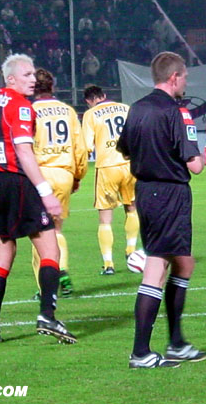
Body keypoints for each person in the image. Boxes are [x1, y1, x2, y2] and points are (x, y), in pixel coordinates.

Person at [0, 53, 76, 345]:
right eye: (27, 75)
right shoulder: (20, 106)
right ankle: (47, 314)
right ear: (11, 79)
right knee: (50, 250)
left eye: (33, 74)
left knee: (3, 256)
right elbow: (23, 152)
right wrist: (45, 192)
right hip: (17, 183)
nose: (33, 79)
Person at [117, 51, 206, 369]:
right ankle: (141, 352)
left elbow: (125, 147)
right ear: (173, 78)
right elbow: (195, 165)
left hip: (145, 191)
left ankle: (177, 341)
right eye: (184, 77)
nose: (186, 82)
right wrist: (203, 153)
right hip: (170, 193)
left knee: (184, 263)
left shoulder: (137, 109)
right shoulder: (178, 112)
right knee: (157, 266)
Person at [30, 68, 88, 299]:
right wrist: (77, 175)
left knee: (37, 232)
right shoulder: (67, 111)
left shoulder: (29, 111)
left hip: (39, 174)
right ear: (53, 86)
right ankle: (61, 266)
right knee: (56, 228)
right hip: (63, 173)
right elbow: (79, 147)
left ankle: (44, 288)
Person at [82, 84, 139, 275]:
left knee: (105, 218)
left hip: (108, 167)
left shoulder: (90, 115)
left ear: (89, 101)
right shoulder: (126, 108)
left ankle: (108, 264)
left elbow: (87, 147)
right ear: (104, 95)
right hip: (130, 164)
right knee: (131, 208)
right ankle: (131, 251)